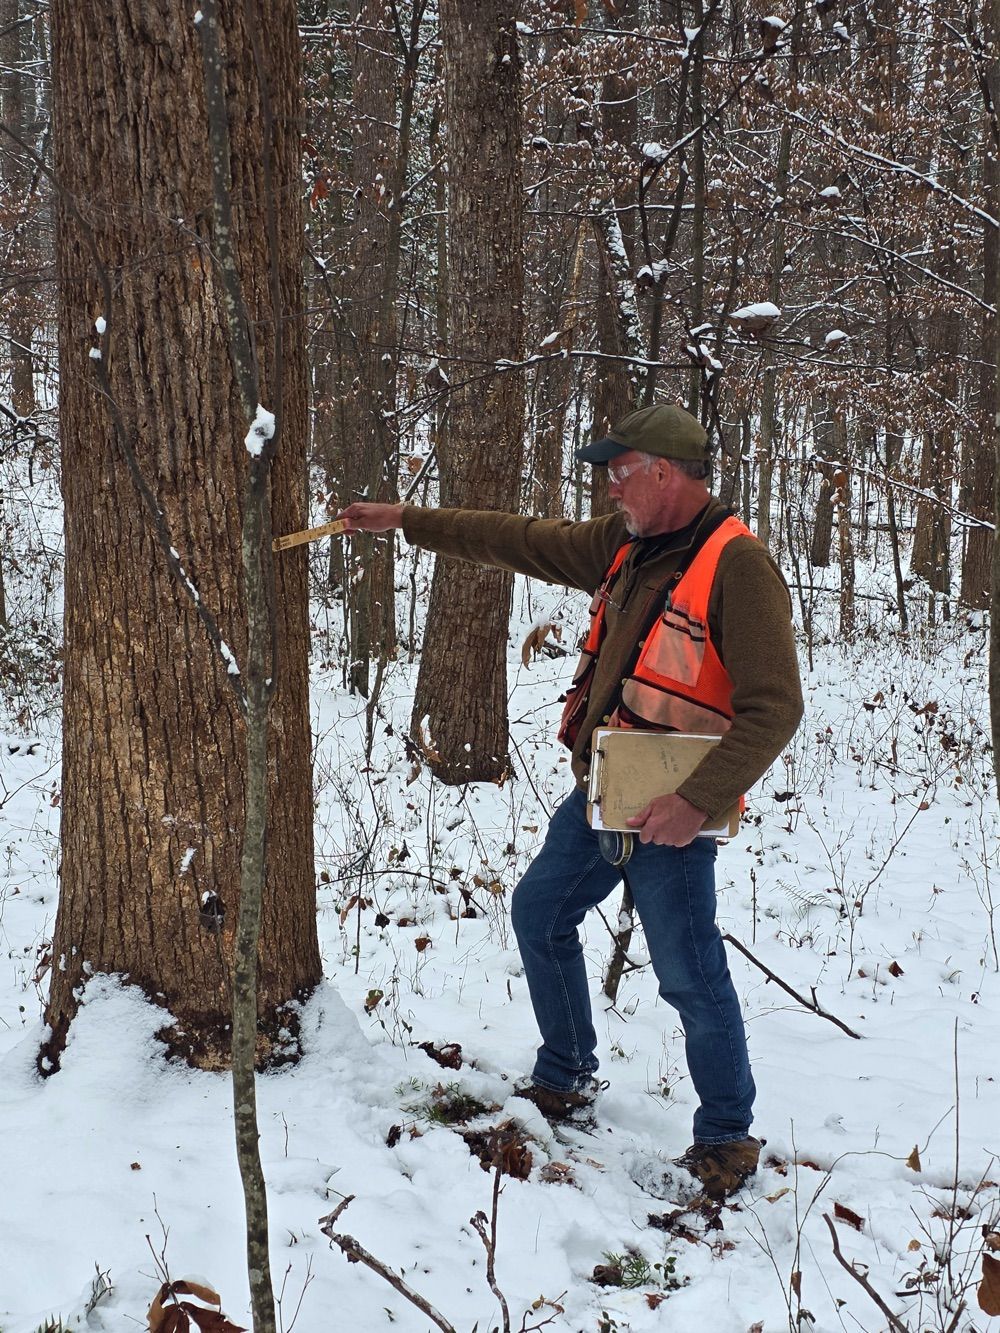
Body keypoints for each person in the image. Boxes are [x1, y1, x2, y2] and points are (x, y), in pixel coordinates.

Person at [339, 402, 803, 1200]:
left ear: (663, 470)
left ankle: (727, 1135)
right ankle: (566, 1074)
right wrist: (405, 520)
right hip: (606, 791)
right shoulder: (625, 544)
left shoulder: (737, 565)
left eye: (619, 474)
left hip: (672, 815)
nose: (609, 490)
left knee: (690, 977)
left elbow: (775, 706)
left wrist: (695, 802)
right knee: (540, 912)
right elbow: (518, 537)